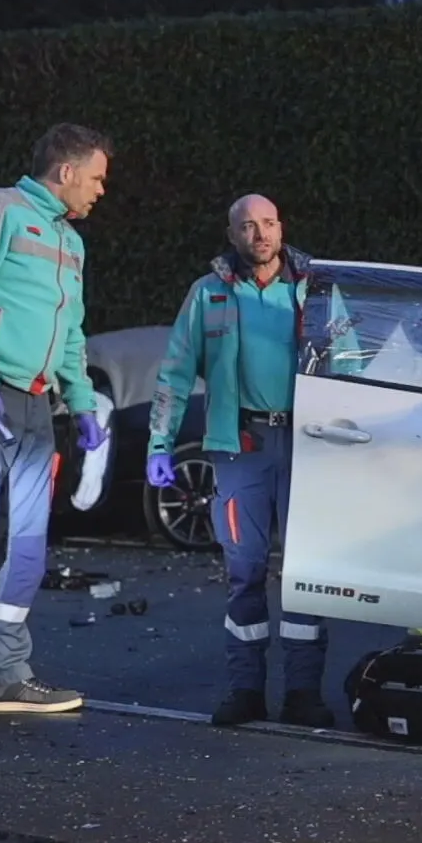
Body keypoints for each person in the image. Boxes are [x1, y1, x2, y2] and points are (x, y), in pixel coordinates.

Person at [0, 124, 110, 721]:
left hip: (35, 407)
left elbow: (72, 332)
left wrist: (81, 402)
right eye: (97, 177)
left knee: (28, 550)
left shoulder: (71, 243)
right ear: (66, 172)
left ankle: (7, 677)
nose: (101, 190)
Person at [147, 194, 333, 728]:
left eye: (269, 223)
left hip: (308, 445)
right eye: (248, 227)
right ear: (232, 236)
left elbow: (351, 363)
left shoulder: (316, 292)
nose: (261, 234)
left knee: (307, 575)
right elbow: (175, 375)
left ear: (282, 227)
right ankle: (245, 690)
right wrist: (160, 446)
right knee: (244, 575)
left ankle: (303, 694)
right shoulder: (208, 296)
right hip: (241, 447)